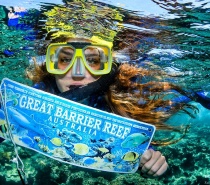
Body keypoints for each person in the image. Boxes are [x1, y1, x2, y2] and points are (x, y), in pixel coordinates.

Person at [27, 34, 201, 178]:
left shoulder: (121, 95)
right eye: (65, 59)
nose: (77, 74)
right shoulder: (38, 93)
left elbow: (130, 135)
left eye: (93, 61)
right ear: (50, 64)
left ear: (108, 66)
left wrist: (149, 158)